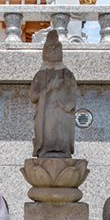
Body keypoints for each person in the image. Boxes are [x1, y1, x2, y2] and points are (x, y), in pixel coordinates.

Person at [30, 30, 78, 158]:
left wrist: (68, 104)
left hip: (62, 111)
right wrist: (49, 88)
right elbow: (33, 97)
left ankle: (65, 149)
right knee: (48, 131)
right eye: (49, 48)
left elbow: (73, 93)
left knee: (62, 131)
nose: (53, 51)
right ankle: (44, 148)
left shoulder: (67, 74)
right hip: (46, 112)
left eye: (56, 48)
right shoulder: (40, 75)